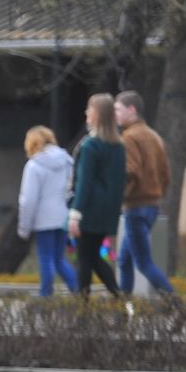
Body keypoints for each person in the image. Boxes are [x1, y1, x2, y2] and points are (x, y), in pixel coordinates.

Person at [113, 90, 174, 296]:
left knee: (143, 263)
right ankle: (123, 310)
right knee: (124, 259)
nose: (115, 115)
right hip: (152, 206)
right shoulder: (154, 136)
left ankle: (175, 303)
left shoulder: (129, 137)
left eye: (118, 110)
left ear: (132, 110)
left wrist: (121, 197)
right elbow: (166, 174)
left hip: (136, 207)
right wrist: (157, 195)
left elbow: (130, 171)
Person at [67, 94, 126, 298]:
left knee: (84, 260)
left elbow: (84, 183)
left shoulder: (90, 146)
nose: (86, 113)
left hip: (88, 211)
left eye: (89, 109)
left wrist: (75, 214)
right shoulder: (118, 146)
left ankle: (83, 310)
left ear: (97, 115)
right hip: (107, 212)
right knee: (93, 258)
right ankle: (121, 300)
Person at [16, 126, 78, 298]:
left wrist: (24, 227)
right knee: (59, 260)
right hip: (63, 217)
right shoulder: (67, 161)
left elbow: (28, 200)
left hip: (43, 220)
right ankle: (79, 291)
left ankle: (46, 295)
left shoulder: (34, 165)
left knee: (46, 258)